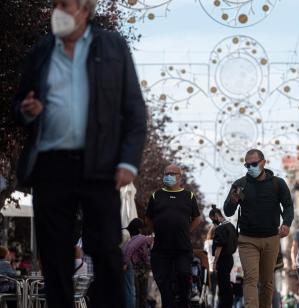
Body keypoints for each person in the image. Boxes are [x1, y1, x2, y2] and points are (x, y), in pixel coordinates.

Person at [12, 0, 147, 306]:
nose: (59, 11)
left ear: (85, 10)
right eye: (56, 5)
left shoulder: (112, 47)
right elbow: (19, 106)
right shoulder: (41, 52)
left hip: (100, 163)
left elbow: (134, 110)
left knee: (105, 249)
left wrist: (128, 160)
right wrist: (27, 111)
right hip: (51, 164)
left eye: (66, 5)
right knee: (55, 252)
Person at [223, 149, 294, 308]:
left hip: (271, 238)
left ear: (263, 162)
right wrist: (233, 201)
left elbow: (288, 205)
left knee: (267, 282)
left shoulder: (277, 183)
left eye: (254, 164)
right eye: (247, 165)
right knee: (250, 278)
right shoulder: (241, 185)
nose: (250, 168)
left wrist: (287, 223)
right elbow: (228, 211)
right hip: (248, 240)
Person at [146, 164, 202, 308]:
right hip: (161, 249)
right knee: (163, 284)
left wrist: (186, 230)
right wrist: (159, 230)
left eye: (172, 173)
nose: (168, 176)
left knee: (184, 274)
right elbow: (149, 218)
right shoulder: (156, 195)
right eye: (166, 173)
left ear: (179, 177)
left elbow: (197, 218)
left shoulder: (189, 196)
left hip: (182, 248)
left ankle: (184, 300)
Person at [208, 206, 238, 308]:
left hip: (223, 259)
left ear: (216, 216)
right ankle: (228, 304)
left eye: (212, 219)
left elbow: (219, 246)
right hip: (230, 258)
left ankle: (224, 305)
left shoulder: (220, 228)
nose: (213, 222)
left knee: (223, 286)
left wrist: (215, 262)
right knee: (227, 284)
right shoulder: (231, 226)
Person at [123, 218, 154, 308]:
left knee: (140, 294)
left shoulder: (133, 239)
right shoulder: (141, 238)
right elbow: (130, 248)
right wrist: (125, 262)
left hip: (141, 270)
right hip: (138, 270)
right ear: (140, 229)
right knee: (138, 294)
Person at [204, 225, 217, 308]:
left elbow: (204, 254)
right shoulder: (218, 243)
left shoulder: (207, 243)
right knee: (215, 291)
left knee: (209, 290)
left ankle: (209, 306)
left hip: (208, 269)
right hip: (216, 269)